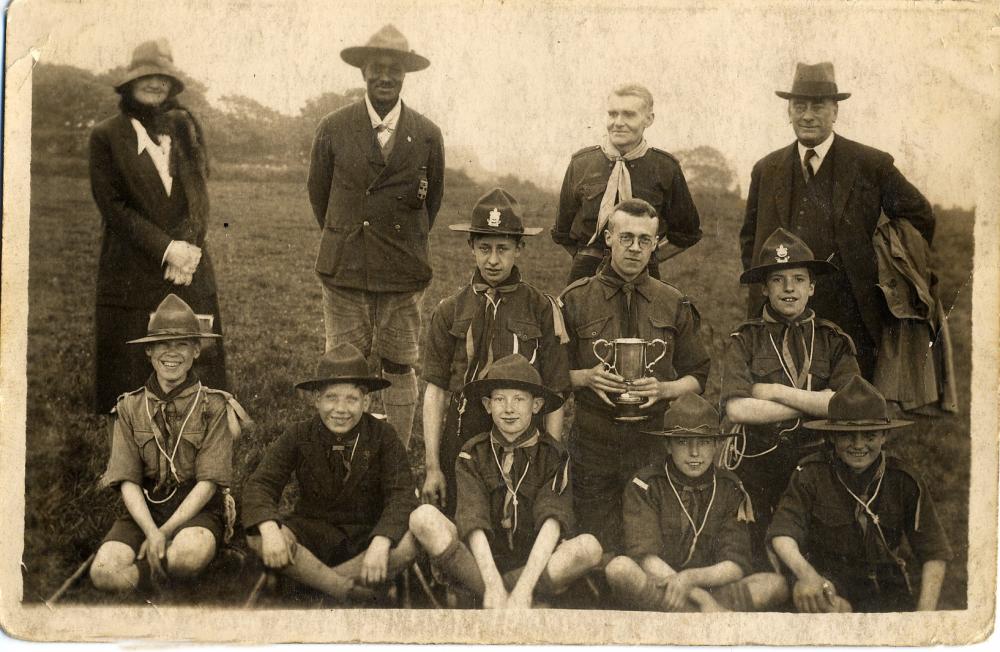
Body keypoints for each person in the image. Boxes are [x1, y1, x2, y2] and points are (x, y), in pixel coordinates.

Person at [739, 61, 935, 380]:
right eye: (799, 106)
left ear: (835, 111)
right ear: (788, 111)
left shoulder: (871, 165)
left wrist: (889, 265)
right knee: (778, 407)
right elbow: (749, 239)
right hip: (778, 313)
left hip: (852, 314)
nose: (807, 115)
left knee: (850, 410)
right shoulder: (766, 168)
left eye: (818, 106)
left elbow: (920, 217)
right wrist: (770, 287)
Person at [307, 24, 445, 448]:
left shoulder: (426, 133)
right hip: (345, 271)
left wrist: (400, 244)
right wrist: (348, 237)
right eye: (377, 68)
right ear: (363, 72)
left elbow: (431, 202)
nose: (385, 77)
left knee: (400, 365)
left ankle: (396, 459)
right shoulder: (333, 126)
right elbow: (320, 195)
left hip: (402, 273)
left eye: (395, 69)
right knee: (343, 368)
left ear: (406, 75)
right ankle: (340, 454)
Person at [560, 198, 711, 553]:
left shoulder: (673, 302)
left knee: (649, 545)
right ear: (608, 237)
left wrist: (665, 389)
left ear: (656, 244)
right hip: (594, 442)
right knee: (596, 545)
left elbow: (699, 375)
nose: (635, 248)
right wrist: (586, 378)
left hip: (652, 444)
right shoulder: (575, 299)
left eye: (645, 240)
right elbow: (552, 374)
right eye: (626, 237)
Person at [90, 39, 226, 414]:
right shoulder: (107, 136)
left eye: (162, 77)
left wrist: (188, 249)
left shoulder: (184, 128)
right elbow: (114, 208)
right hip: (132, 267)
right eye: (146, 76)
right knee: (130, 374)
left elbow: (199, 196)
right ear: (130, 83)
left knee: (193, 360)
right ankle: (132, 457)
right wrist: (167, 249)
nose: (155, 84)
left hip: (188, 268)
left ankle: (194, 441)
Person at [420, 188, 570, 516]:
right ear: (471, 246)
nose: (493, 260)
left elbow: (556, 391)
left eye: (503, 249)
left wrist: (552, 458)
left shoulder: (542, 309)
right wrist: (433, 466)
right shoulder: (449, 310)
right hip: (464, 429)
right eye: (484, 248)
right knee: (459, 518)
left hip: (523, 432)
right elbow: (435, 391)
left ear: (520, 248)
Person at [409, 354, 602, 608]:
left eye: (519, 399)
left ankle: (509, 596)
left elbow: (552, 522)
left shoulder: (553, 455)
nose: (509, 409)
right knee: (423, 518)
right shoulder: (472, 453)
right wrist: (491, 584)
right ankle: (496, 594)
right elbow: (473, 522)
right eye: (500, 399)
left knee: (589, 548)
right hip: (481, 563)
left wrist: (523, 588)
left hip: (532, 565)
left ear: (536, 405)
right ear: (488, 406)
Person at [721, 227, 861, 568]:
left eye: (799, 279)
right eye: (778, 280)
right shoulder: (745, 340)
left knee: (824, 557)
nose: (789, 289)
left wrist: (773, 391)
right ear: (765, 288)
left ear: (812, 287)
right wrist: (813, 402)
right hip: (759, 464)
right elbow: (738, 408)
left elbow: (845, 405)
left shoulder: (834, 340)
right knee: (760, 561)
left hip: (820, 461)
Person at [90, 294, 248, 593]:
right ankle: (160, 567)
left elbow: (209, 483)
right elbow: (127, 480)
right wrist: (151, 530)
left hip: (197, 507)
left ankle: (169, 562)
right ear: (149, 351)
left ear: (197, 350)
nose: (171, 353)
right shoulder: (129, 406)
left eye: (182, 344)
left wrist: (164, 532)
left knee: (186, 558)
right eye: (162, 343)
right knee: (103, 573)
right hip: (145, 508)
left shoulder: (215, 405)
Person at [241, 343, 418, 601]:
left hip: (366, 537)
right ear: (317, 399)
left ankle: (308, 582)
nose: (340, 409)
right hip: (311, 534)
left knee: (410, 541)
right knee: (257, 536)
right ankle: (348, 591)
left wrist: (381, 542)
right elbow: (260, 484)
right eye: (331, 397)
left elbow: (402, 493)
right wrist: (269, 530)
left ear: (366, 401)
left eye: (351, 399)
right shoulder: (299, 434)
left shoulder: (384, 435)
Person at [769, 376, 952, 612]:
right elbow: (783, 534)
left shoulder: (904, 480)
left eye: (870, 435)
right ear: (832, 435)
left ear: (884, 435)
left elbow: (934, 551)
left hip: (886, 590)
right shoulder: (811, 474)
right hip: (829, 582)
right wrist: (808, 577)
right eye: (847, 434)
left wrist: (925, 614)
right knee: (829, 611)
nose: (858, 444)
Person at [605, 393, 788, 612]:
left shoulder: (729, 487)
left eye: (703, 442)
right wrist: (701, 598)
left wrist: (690, 579)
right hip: (661, 584)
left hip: (709, 586)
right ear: (668, 445)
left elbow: (735, 565)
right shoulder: (645, 484)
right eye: (683, 442)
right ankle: (701, 613)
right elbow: (645, 559)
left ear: (716, 445)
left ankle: (682, 615)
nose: (694, 453)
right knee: (619, 569)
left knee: (775, 585)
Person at [551, 83, 701, 284]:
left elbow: (687, 233)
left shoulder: (666, 168)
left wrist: (647, 256)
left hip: (643, 277)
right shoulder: (581, 163)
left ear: (649, 119)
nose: (618, 122)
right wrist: (589, 257)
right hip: (587, 277)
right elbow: (563, 232)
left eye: (629, 115)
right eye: (612, 114)